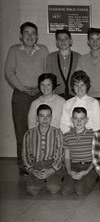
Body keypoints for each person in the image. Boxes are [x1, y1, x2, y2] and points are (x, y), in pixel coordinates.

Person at [5, 22, 49, 174]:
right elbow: (9, 73)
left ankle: (40, 163)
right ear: (21, 35)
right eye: (26, 33)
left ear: (37, 36)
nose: (30, 36)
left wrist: (40, 87)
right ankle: (23, 166)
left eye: (33, 33)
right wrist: (23, 88)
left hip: (40, 94)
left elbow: (46, 71)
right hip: (21, 95)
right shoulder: (14, 50)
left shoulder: (43, 50)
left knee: (40, 130)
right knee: (22, 132)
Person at [22, 104, 63, 195]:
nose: (45, 120)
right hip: (36, 165)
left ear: (51, 117)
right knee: (32, 190)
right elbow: (25, 154)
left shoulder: (57, 133)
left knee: (53, 188)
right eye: (42, 116)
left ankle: (50, 179)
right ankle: (39, 180)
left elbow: (60, 155)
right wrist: (31, 170)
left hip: (51, 164)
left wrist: (52, 170)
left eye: (48, 116)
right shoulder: (29, 134)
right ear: (37, 118)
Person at [61, 107, 98, 195]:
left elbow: (96, 157)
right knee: (65, 191)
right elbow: (67, 157)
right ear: (72, 120)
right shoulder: (67, 136)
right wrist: (69, 171)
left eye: (82, 118)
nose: (79, 121)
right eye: (76, 118)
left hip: (90, 167)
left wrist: (87, 171)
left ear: (87, 120)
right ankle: (74, 180)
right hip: (74, 166)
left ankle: (93, 179)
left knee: (79, 190)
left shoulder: (93, 135)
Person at [76, 27, 100, 99]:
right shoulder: (81, 60)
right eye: (92, 39)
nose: (95, 42)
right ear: (88, 42)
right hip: (86, 98)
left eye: (98, 39)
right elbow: (78, 81)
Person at [46, 29, 80, 99]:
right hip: (56, 95)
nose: (63, 41)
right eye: (59, 39)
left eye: (66, 39)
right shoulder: (51, 57)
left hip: (74, 95)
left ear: (70, 41)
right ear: (56, 42)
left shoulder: (78, 57)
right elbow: (49, 78)